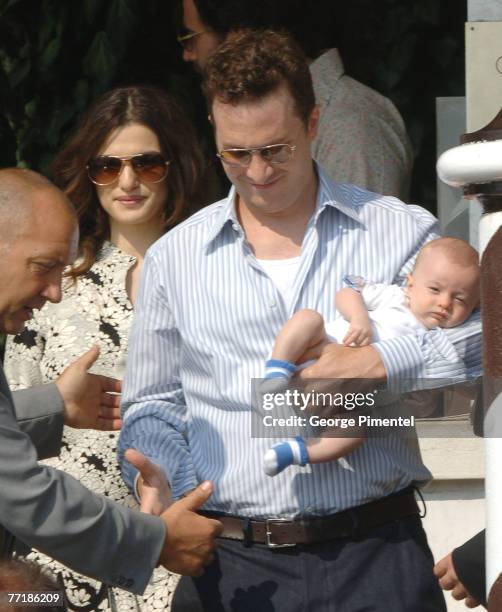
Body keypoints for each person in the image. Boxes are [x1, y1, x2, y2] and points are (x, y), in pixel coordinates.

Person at [118, 30, 481, 611]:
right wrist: (157, 474)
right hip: (230, 562)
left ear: (312, 125)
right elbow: (153, 403)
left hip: (375, 553)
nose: (257, 171)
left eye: (276, 149)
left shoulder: (396, 230)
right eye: (235, 153)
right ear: (214, 133)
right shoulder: (174, 257)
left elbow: (489, 341)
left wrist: (383, 362)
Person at [4, 86, 208, 610]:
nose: (128, 181)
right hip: (56, 556)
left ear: (175, 166)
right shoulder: (49, 284)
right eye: (107, 166)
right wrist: (55, 403)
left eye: (147, 164)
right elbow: (10, 447)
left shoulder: (215, 277)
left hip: (181, 545)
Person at [262, 237, 480, 475]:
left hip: (346, 400)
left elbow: (466, 381)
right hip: (319, 348)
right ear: (410, 284)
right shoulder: (395, 298)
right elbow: (347, 291)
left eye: (460, 299)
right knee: (308, 318)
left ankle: (293, 452)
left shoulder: (446, 342)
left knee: (352, 434)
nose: (444, 303)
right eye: (435, 289)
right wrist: (359, 318)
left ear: (473, 307)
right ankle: (277, 370)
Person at [178, 0, 413, 199]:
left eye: (190, 37)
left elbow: (367, 240)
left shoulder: (352, 121)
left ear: (238, 35)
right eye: (238, 153)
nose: (187, 54)